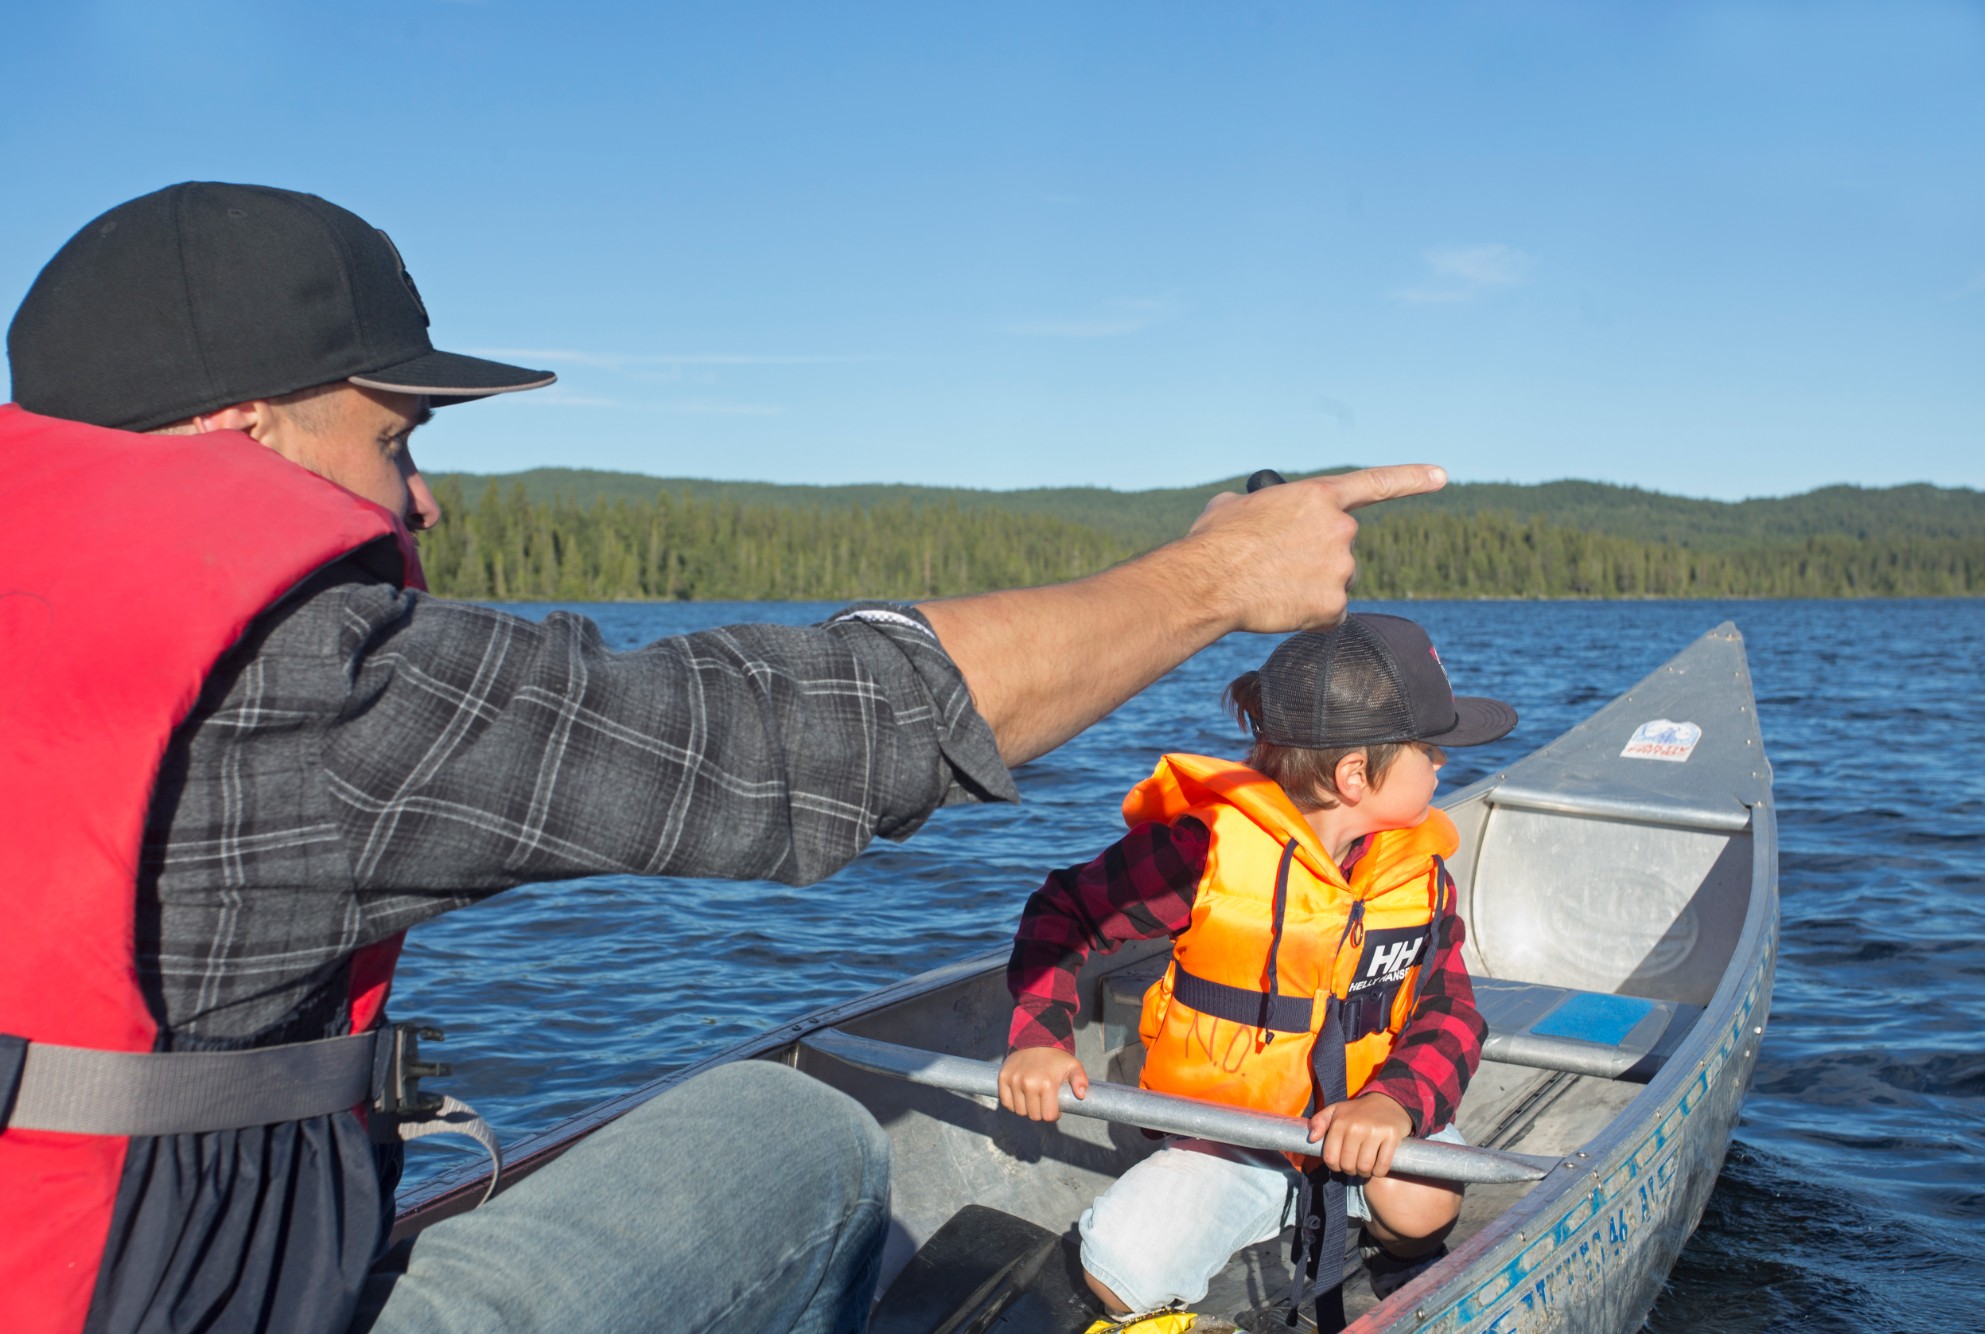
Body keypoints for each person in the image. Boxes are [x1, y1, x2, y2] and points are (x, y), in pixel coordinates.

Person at [0, 180, 1445, 1334]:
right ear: (244, 436)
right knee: (791, 1135)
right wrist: (1213, 579)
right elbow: (786, 737)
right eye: (398, 434)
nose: (424, 498)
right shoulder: (299, 684)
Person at [996, 614, 1517, 1327]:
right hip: (1231, 1140)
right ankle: (1255, 1224)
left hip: (1358, 1128)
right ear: (1355, 777)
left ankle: (1393, 1254)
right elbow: (1065, 913)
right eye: (1429, 749)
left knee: (1423, 1203)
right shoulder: (1201, 854)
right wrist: (1038, 1039)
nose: (1442, 765)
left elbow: (1450, 1009)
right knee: (1120, 1272)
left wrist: (1393, 1104)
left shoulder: (1418, 874)